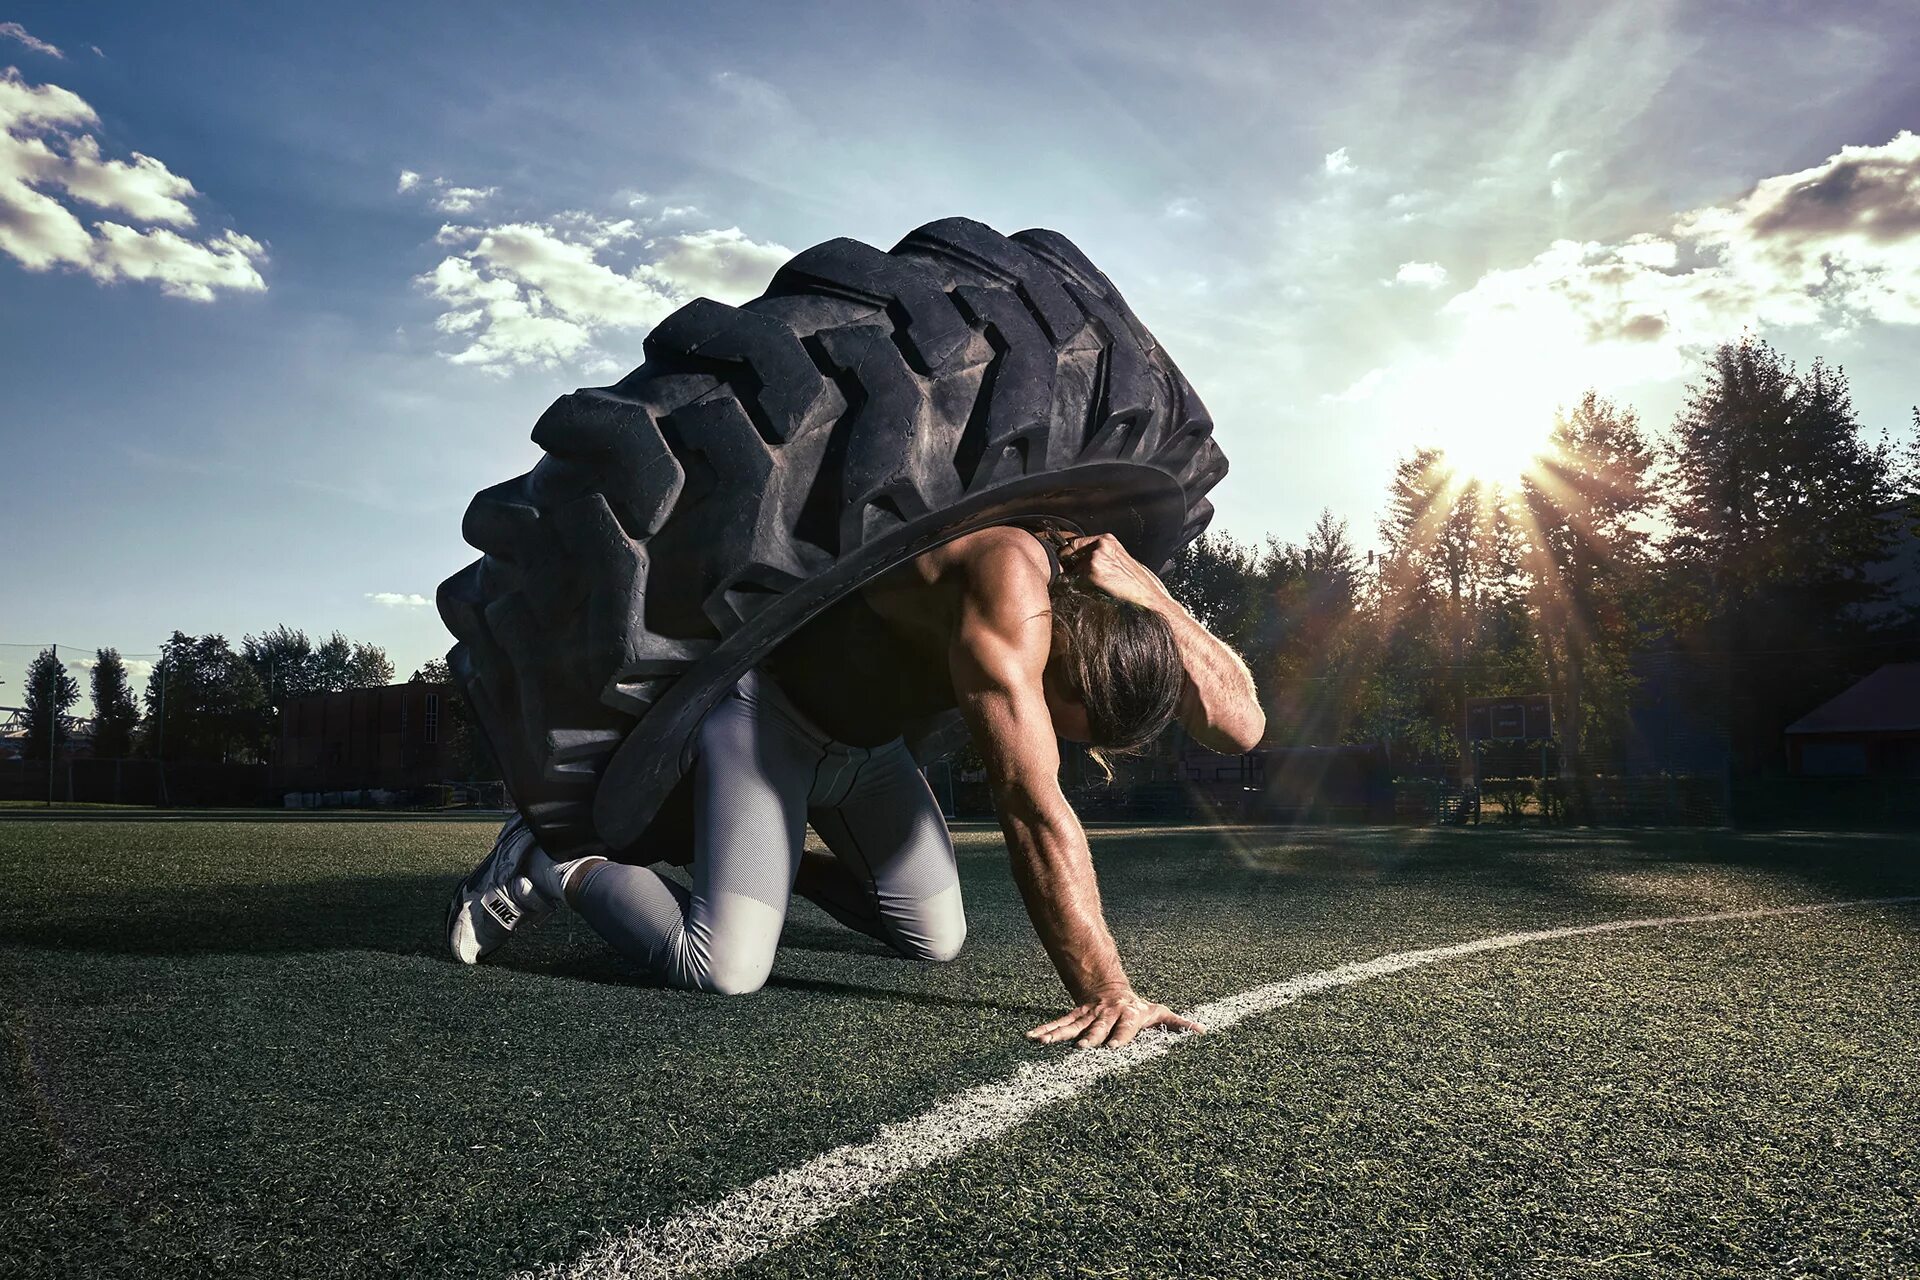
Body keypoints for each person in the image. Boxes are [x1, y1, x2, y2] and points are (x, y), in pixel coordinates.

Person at [446, 523, 1265, 1048]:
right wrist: (1107, 990)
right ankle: (560, 858)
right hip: (773, 723)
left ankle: (732, 863)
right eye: (1063, 719)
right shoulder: (1011, 586)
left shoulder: (1107, 600)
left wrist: (1149, 587)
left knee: (934, 936)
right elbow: (1030, 806)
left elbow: (1243, 726)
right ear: (1061, 659)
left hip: (868, 753)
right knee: (723, 968)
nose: (1061, 741)